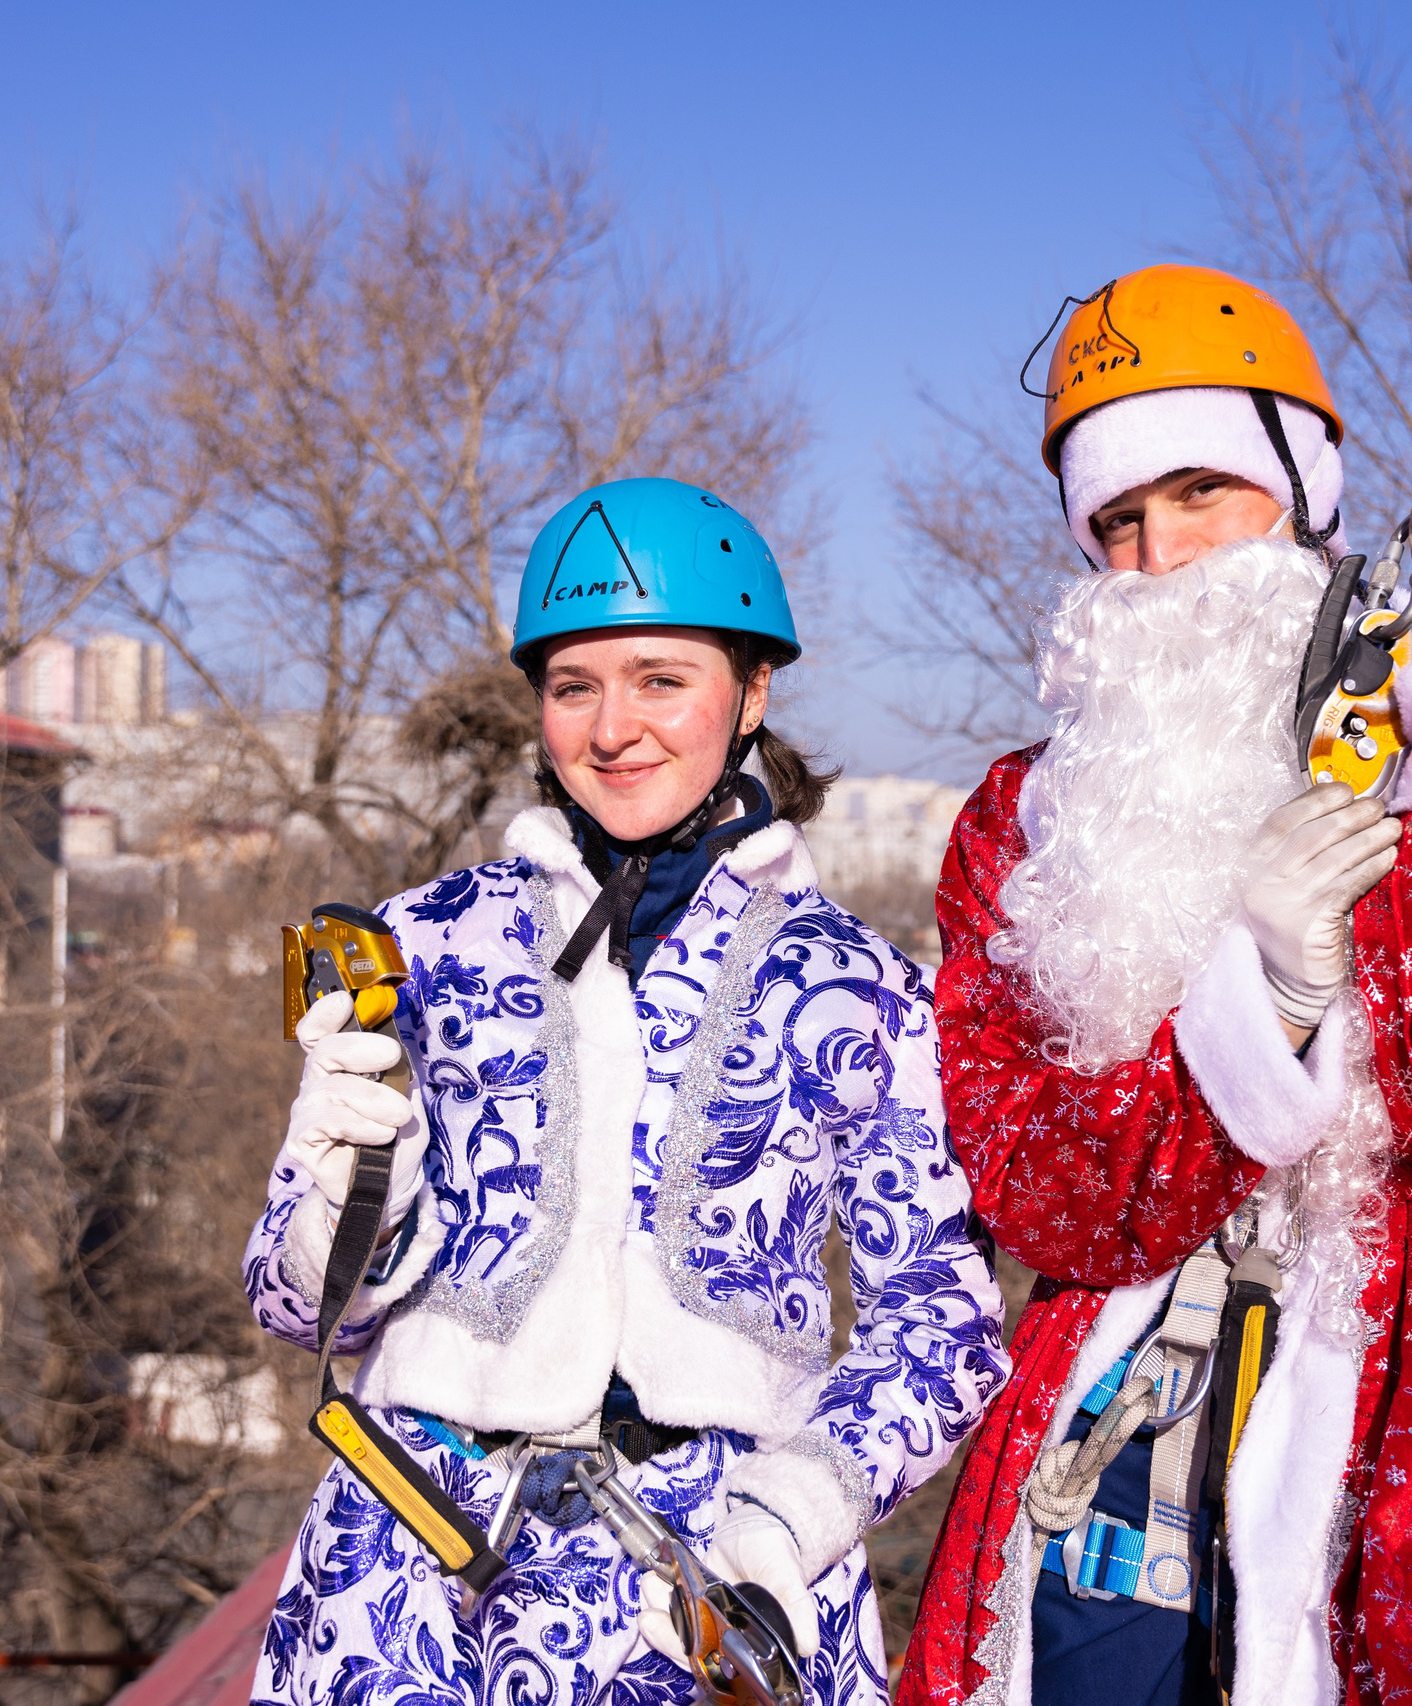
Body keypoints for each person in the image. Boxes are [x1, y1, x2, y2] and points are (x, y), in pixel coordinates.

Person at [896, 266, 1412, 1706]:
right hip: (1092, 1513)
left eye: (1198, 493)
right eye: (1116, 519)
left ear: (1302, 492)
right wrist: (1273, 1011)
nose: (1157, 554)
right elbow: (1043, 1189)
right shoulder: (1022, 822)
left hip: (1409, 1487)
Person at [244, 477, 1010, 1706]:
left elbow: (942, 1317)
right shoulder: (421, 945)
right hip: (407, 1585)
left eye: (661, 678)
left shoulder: (858, 986)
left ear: (751, 692)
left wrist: (791, 1515)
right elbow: (293, 1308)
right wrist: (342, 1180)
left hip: (713, 1584)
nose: (614, 728)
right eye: (574, 685)